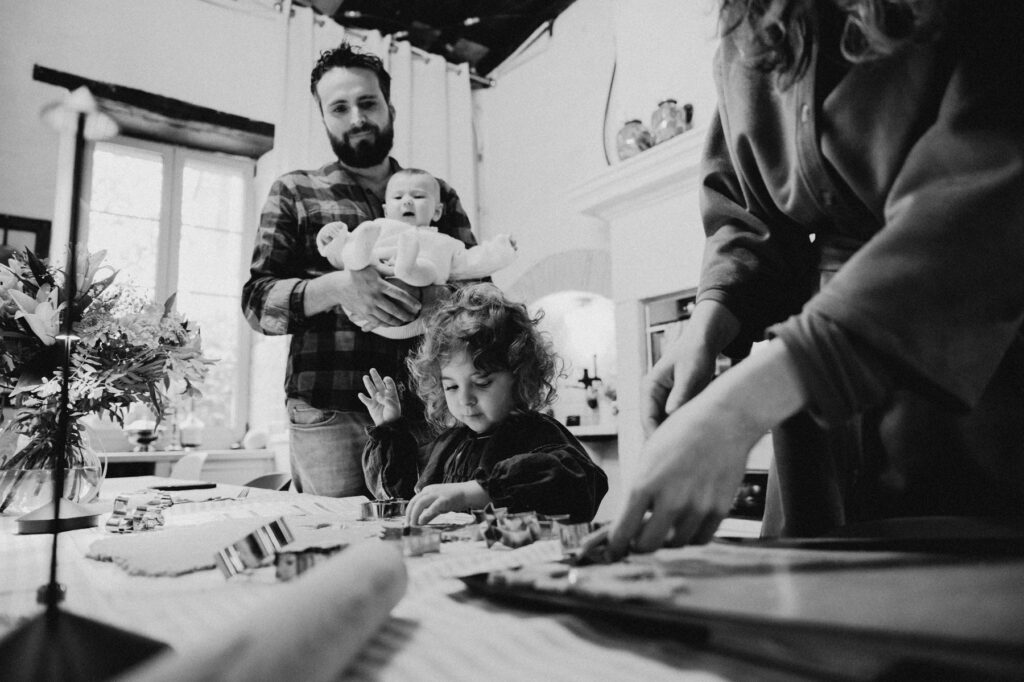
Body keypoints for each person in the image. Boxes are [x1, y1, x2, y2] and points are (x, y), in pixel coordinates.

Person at [603, 0, 1024, 556]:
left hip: (977, 367)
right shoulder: (744, 32)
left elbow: (982, 204)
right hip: (812, 407)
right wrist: (705, 327)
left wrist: (739, 409)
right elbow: (746, 211)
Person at [241, 41, 478, 498]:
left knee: (433, 540)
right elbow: (257, 304)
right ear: (324, 117)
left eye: (368, 103)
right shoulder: (295, 190)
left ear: (389, 106)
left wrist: (436, 297)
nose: (357, 118)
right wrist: (340, 287)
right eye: (339, 108)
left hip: (430, 405)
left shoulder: (435, 192)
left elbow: (481, 294)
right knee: (331, 544)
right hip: (329, 409)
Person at [359, 283, 609, 525]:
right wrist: (389, 428)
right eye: (452, 387)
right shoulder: (450, 443)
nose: (465, 399)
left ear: (520, 376)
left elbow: (580, 483)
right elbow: (404, 496)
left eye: (482, 382)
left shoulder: (536, 433)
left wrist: (478, 491)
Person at [316, 168, 517, 339]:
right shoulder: (379, 227)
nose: (407, 202)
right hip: (367, 308)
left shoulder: (445, 244)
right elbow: (337, 257)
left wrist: (502, 249)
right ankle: (363, 258)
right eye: (398, 197)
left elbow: (474, 261)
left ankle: (409, 268)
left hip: (417, 318)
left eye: (418, 196)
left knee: (428, 270)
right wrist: (332, 239)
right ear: (386, 211)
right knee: (352, 249)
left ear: (437, 212)